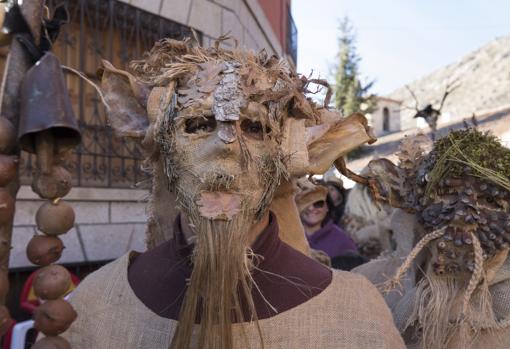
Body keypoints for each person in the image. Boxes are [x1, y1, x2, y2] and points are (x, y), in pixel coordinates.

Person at [61, 37, 404, 349]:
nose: (225, 147)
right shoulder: (95, 303)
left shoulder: (357, 313)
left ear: (282, 157)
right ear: (165, 150)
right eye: (197, 125)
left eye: (254, 127)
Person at [354, 130, 510, 349]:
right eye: (446, 194)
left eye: (489, 200)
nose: (461, 216)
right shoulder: (370, 286)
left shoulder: (504, 307)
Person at [296, 178, 358, 259]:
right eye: (305, 203)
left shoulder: (343, 241)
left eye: (318, 203)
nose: (311, 208)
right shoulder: (286, 236)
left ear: (327, 207)